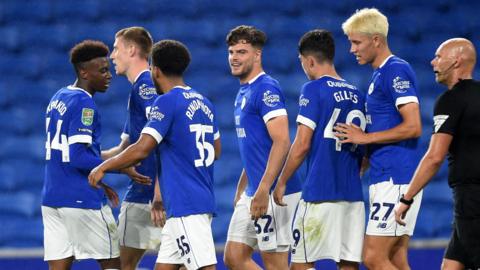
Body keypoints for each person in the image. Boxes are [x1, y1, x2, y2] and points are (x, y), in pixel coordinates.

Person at [88, 39, 220, 270]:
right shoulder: (204, 102)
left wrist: (103, 167)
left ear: (155, 70)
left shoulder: (166, 102)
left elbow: (141, 148)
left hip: (185, 204)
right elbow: (216, 151)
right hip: (193, 199)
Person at [42, 40, 150, 270]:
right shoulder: (85, 105)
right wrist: (119, 167)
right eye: (102, 71)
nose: (109, 75)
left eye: (108, 69)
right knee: (113, 265)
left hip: (52, 198)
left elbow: (70, 152)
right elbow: (78, 157)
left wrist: (105, 168)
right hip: (81, 200)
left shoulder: (58, 98)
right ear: (84, 72)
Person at [337, 8, 423, 270]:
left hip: (396, 177)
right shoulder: (379, 74)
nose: (352, 49)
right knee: (396, 257)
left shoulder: (395, 71)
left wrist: (366, 138)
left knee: (373, 257)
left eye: (356, 42)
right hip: (389, 175)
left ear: (376, 40)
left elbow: (414, 126)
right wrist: (368, 153)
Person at [273, 29, 366, 270]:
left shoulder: (313, 89)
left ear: (310, 60)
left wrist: (282, 180)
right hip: (353, 196)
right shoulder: (358, 94)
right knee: (348, 265)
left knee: (301, 264)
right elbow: (366, 150)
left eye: (302, 62)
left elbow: (302, 144)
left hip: (319, 194)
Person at [395, 38, 480, 270]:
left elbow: (434, 156)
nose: (433, 61)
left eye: (439, 56)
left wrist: (406, 198)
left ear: (456, 61)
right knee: (451, 265)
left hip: (472, 200)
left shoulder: (451, 100)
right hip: (468, 205)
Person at [223, 25, 302, 270]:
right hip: (253, 190)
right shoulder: (244, 91)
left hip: (273, 192)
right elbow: (256, 146)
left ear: (257, 55)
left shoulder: (266, 88)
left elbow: (281, 141)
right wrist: (242, 188)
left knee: (275, 264)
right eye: (232, 52)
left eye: (242, 52)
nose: (234, 57)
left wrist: (264, 189)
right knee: (234, 257)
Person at [102, 26, 162, 270]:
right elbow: (125, 147)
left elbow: (161, 137)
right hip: (152, 193)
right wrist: (88, 159)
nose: (112, 55)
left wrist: (159, 193)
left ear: (132, 50)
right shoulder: (138, 88)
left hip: (147, 195)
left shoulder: (147, 85)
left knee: (121, 266)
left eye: (116, 49)